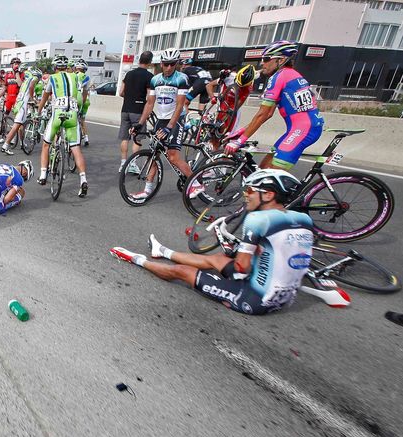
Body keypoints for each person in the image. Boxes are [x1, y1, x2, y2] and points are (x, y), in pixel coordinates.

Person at [110, 169, 313, 316]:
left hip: (254, 298)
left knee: (183, 272)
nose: (246, 195)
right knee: (217, 258)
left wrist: (235, 248)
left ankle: (135, 259)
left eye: (251, 191)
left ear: (268, 195)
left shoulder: (258, 219)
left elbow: (242, 266)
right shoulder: (304, 219)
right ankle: (162, 251)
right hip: (284, 296)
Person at [224, 40, 324, 170]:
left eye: (266, 59)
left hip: (303, 130)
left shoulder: (278, 77)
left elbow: (262, 114)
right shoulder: (291, 75)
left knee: (270, 179)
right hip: (302, 128)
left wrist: (239, 141)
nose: (262, 63)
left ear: (281, 60)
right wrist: (241, 132)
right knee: (263, 170)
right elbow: (268, 114)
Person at [129, 48, 192, 199]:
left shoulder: (181, 78)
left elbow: (179, 105)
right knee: (154, 154)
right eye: (166, 64)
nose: (169, 67)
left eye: (172, 64)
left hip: (176, 120)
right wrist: (140, 123)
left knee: (173, 157)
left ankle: (195, 183)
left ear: (176, 64)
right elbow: (150, 104)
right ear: (161, 64)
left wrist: (170, 126)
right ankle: (147, 190)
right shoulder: (155, 80)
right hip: (161, 120)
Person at [36, 54, 89, 198]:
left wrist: (38, 112)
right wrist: (81, 106)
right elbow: (84, 92)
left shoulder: (52, 78)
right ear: (67, 67)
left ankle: (42, 175)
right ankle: (83, 180)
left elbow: (45, 97)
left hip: (57, 114)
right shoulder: (76, 76)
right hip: (72, 113)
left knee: (46, 144)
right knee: (76, 148)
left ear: (55, 67)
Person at [203, 65, 256, 149]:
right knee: (214, 135)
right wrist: (212, 97)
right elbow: (209, 85)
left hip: (232, 110)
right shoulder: (228, 77)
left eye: (242, 86)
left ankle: (224, 158)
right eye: (238, 84)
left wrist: (231, 112)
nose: (239, 87)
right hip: (221, 107)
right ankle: (212, 154)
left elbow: (239, 103)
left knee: (227, 138)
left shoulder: (249, 87)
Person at [118, 50, 153, 172]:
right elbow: (150, 98)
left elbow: (121, 92)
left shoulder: (129, 74)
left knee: (125, 138)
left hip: (125, 109)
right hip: (138, 111)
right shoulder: (149, 77)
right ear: (150, 62)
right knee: (137, 138)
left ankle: (123, 163)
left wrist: (129, 98)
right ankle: (132, 164)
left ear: (139, 60)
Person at [0, 67, 42, 155]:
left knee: (21, 126)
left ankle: (22, 143)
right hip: (22, 105)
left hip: (18, 103)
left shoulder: (25, 81)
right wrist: (32, 99)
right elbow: (31, 87)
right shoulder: (34, 78)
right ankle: (6, 145)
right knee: (16, 126)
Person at [74, 60, 91, 146]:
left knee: (73, 119)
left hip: (76, 99)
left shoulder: (73, 76)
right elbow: (86, 92)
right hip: (86, 101)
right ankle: (86, 138)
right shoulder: (87, 77)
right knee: (82, 120)